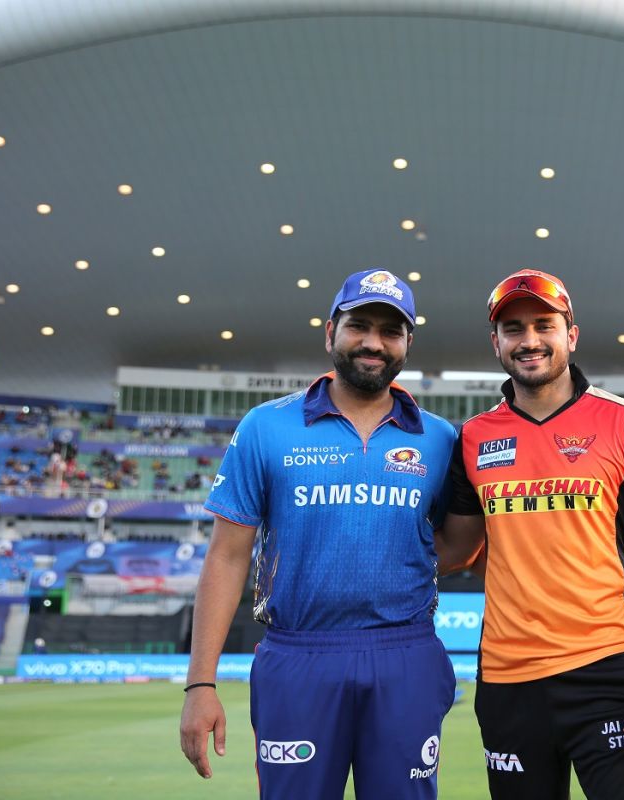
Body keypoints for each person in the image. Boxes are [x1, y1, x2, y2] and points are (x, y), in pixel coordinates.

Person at [179, 269, 458, 799]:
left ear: (407, 344)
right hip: (298, 657)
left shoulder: (441, 439)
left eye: (391, 331)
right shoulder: (266, 426)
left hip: (405, 654)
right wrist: (200, 684)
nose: (373, 342)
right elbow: (227, 558)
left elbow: (461, 544)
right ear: (330, 331)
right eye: (359, 326)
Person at [436, 269, 624, 800]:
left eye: (543, 325)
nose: (529, 340)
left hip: (607, 671)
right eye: (513, 329)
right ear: (496, 343)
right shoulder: (473, 438)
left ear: (570, 335)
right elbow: (456, 551)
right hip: (508, 682)